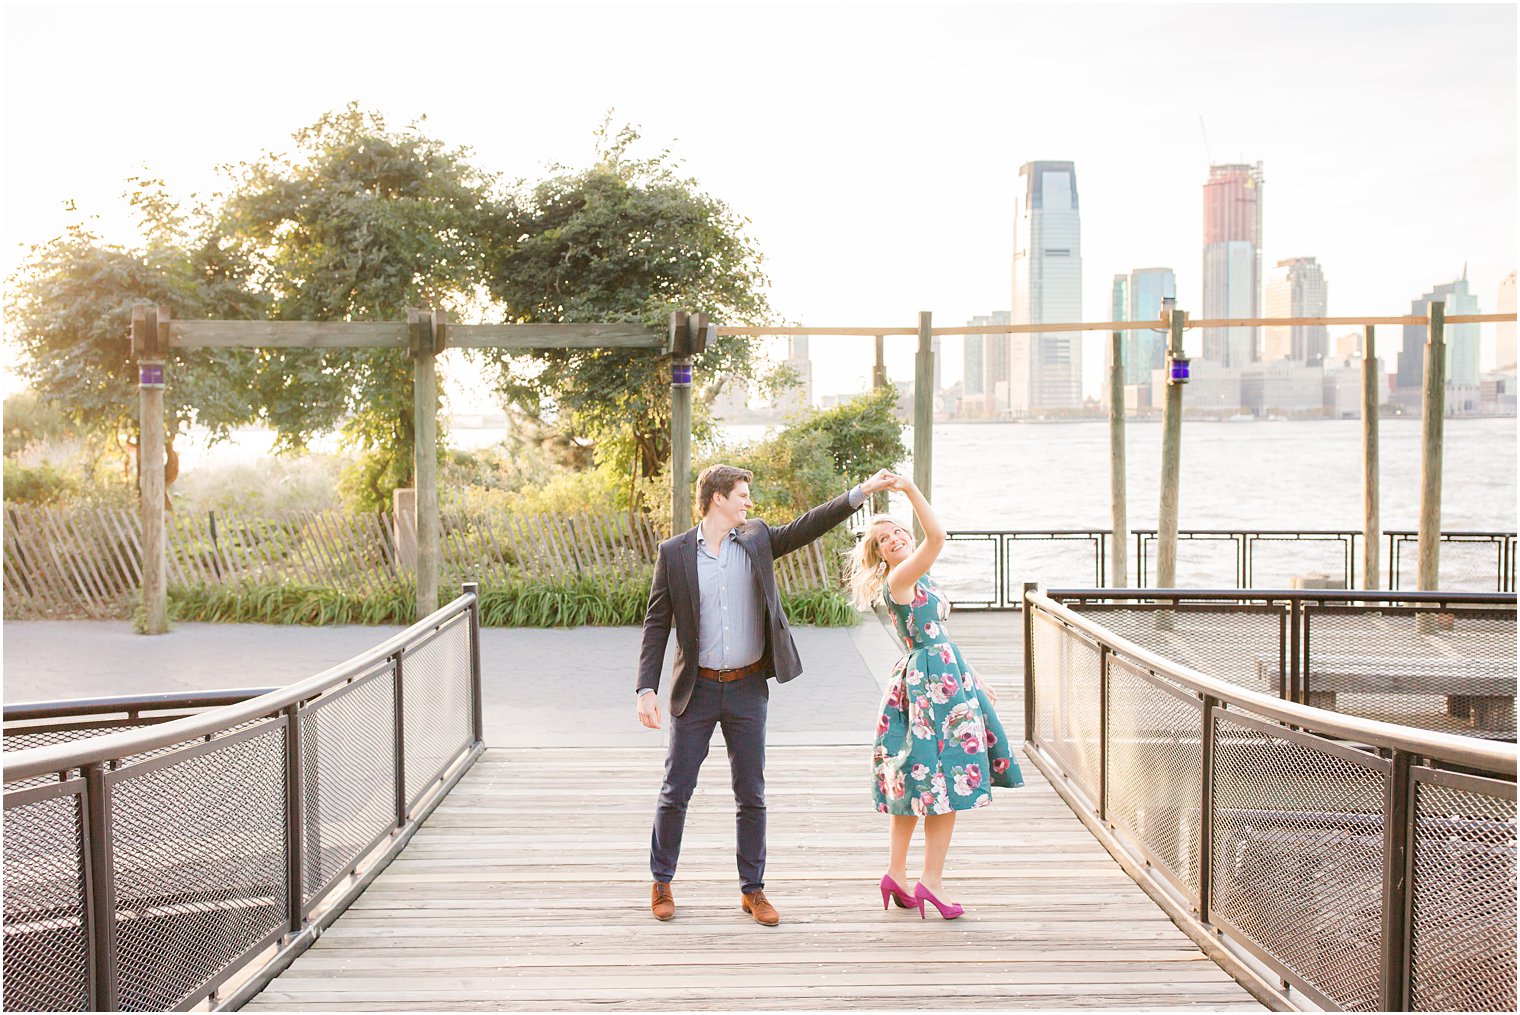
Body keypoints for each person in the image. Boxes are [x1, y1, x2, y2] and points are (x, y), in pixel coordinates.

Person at [637, 463, 898, 925]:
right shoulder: (674, 553)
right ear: (717, 498)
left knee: (751, 793)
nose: (748, 502)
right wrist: (646, 688)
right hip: (694, 691)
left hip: (747, 689)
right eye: (741, 495)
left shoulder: (755, 538)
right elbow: (657, 622)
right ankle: (662, 881)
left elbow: (808, 525)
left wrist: (862, 491)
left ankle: (752, 889)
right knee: (676, 790)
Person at [847, 474, 1023, 920]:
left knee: (914, 776)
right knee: (945, 780)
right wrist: (908, 490)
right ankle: (932, 882)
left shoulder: (918, 576)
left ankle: (896, 874)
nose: (895, 539)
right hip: (931, 687)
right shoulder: (902, 576)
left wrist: (973, 677)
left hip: (938, 674)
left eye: (898, 531)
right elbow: (939, 535)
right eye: (884, 540)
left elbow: (936, 635)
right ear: (880, 555)